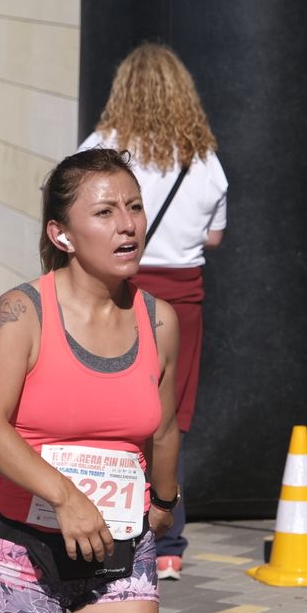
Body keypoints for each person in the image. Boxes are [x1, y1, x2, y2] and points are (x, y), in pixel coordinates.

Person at [0, 148, 180, 613]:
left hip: (120, 547)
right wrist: (65, 497)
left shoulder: (160, 321)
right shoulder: (22, 310)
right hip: (25, 547)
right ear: (61, 233)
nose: (128, 224)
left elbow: (162, 429)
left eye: (134, 207)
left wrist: (163, 501)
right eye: (105, 212)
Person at [79, 43, 227, 581]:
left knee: (110, 406)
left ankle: (106, 519)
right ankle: (169, 542)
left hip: (120, 290)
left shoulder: (103, 149)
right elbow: (212, 236)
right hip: (183, 296)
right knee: (170, 418)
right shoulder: (204, 160)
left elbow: (64, 199)